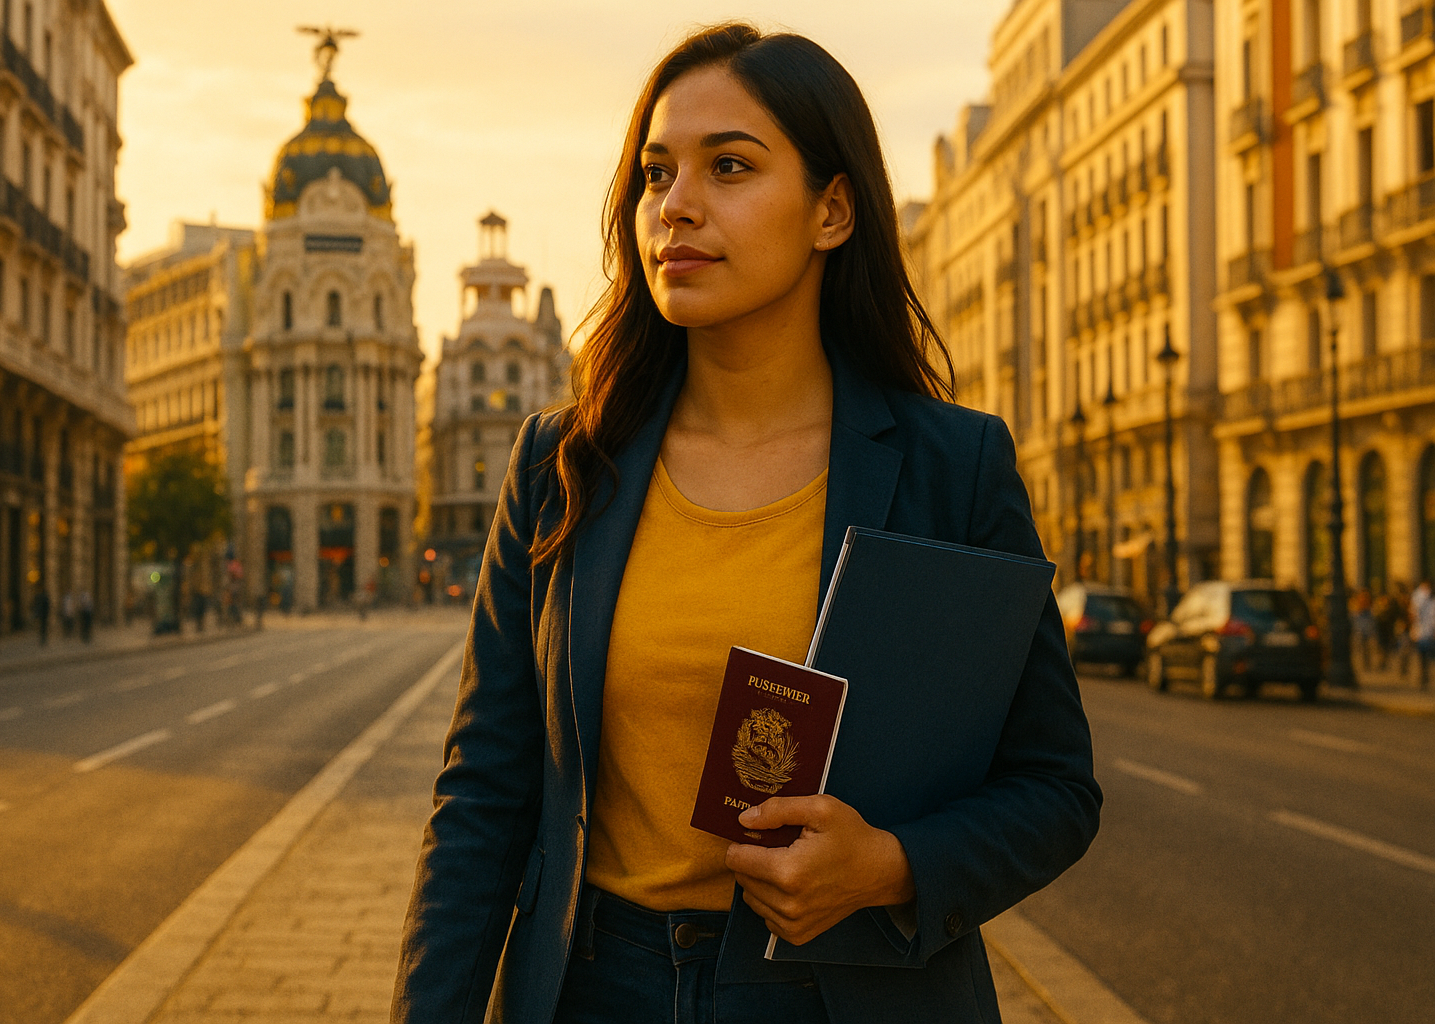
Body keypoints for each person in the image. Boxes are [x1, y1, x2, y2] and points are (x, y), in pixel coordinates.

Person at [393, 24, 1099, 1024]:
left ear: (833, 209)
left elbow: (1056, 788)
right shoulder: (562, 463)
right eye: (654, 175)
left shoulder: (954, 467)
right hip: (597, 986)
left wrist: (891, 864)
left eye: (729, 167)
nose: (676, 206)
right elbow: (483, 796)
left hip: (841, 995)